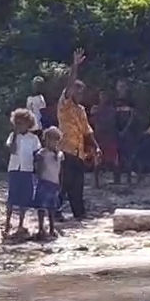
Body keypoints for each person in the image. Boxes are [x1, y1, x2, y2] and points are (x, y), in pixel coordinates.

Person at [55, 73, 98, 223]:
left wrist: (96, 147)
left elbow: (87, 130)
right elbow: (69, 83)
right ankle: (56, 211)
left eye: (82, 93)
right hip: (66, 149)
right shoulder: (64, 105)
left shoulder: (81, 110)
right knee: (63, 183)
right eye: (77, 92)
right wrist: (75, 65)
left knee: (78, 184)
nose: (80, 95)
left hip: (79, 151)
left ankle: (79, 213)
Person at [3, 108, 41, 240]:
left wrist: (38, 171)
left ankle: (21, 223)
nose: (19, 125)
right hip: (14, 168)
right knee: (12, 197)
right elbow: (12, 150)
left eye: (22, 123)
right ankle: (7, 223)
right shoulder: (13, 136)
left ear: (28, 123)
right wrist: (14, 134)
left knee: (24, 198)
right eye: (17, 123)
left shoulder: (34, 138)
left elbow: (37, 155)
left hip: (27, 169)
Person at [33, 129, 63, 240]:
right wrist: (39, 179)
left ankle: (51, 228)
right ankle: (41, 228)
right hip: (44, 182)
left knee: (52, 207)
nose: (53, 143)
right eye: (50, 140)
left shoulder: (60, 154)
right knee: (41, 206)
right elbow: (38, 168)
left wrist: (60, 183)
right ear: (45, 140)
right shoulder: (42, 153)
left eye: (55, 140)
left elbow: (61, 170)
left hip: (54, 183)